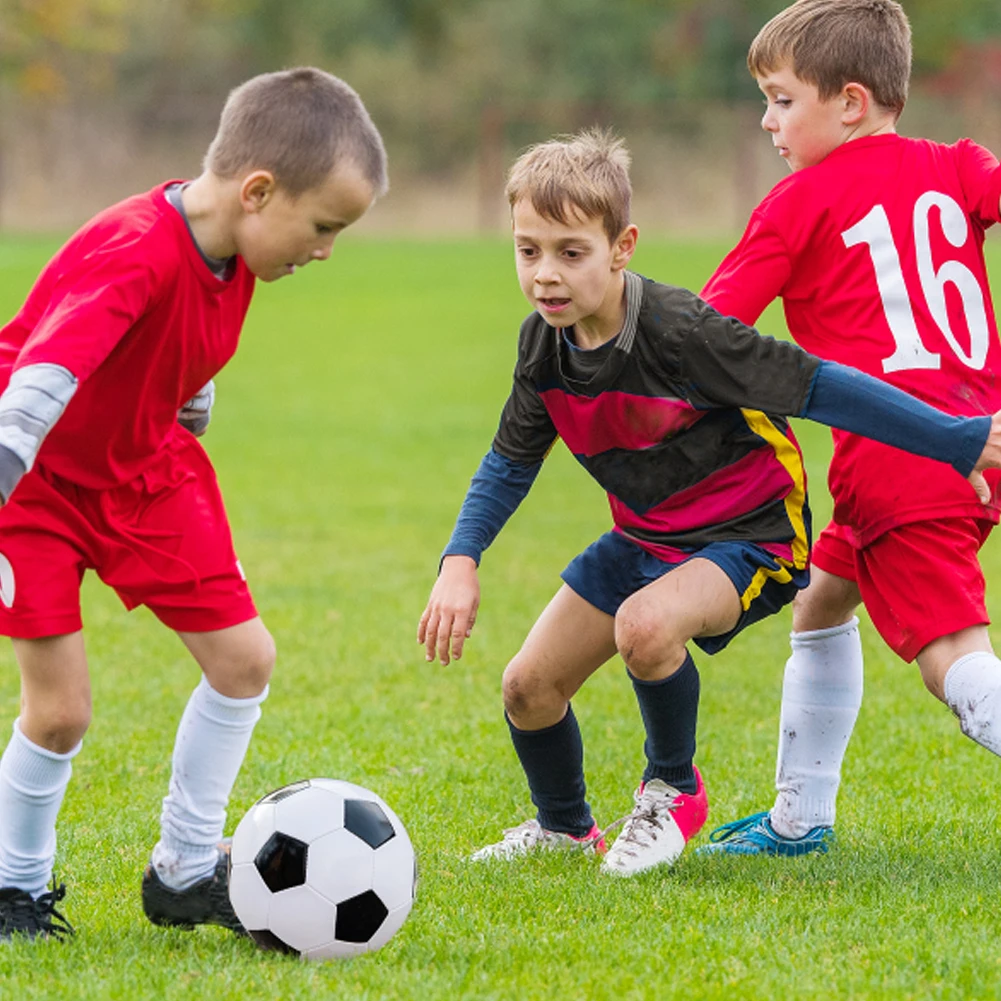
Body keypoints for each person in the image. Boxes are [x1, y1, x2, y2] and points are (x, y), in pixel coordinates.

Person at [417, 128, 1001, 878]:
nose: (545, 275)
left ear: (621, 247)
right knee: (527, 687)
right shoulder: (544, 347)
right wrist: (460, 559)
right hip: (647, 537)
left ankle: (672, 791)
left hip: (750, 534)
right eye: (527, 251)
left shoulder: (682, 334)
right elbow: (509, 461)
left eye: (570, 252)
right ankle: (563, 827)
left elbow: (822, 387)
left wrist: (955, 438)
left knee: (645, 626)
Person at [0, 67, 387, 941]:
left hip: (144, 471)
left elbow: (181, 340)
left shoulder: (234, 251)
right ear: (258, 192)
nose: (325, 250)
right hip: (36, 479)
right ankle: (11, 887)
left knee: (244, 660)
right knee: (58, 712)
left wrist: (187, 401)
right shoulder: (132, 247)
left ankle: (183, 869)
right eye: (323, 226)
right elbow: (46, 372)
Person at [697, 0, 1001, 857]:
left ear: (851, 102)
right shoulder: (957, 162)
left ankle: (799, 819)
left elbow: (709, 332)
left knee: (952, 655)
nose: (767, 121)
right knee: (822, 597)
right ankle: (799, 818)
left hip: (899, 462)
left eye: (781, 100)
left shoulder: (796, 202)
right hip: (981, 434)